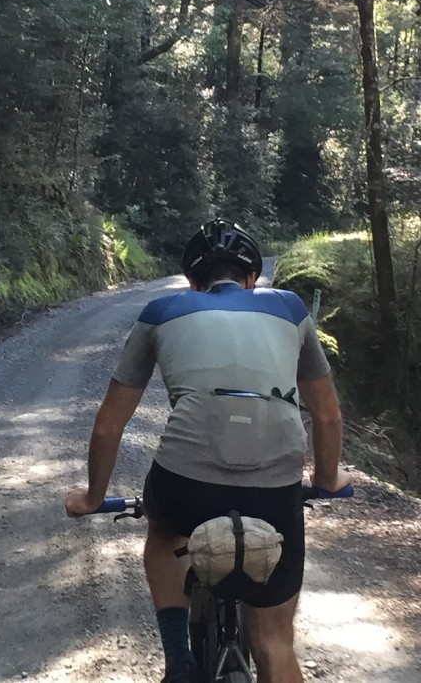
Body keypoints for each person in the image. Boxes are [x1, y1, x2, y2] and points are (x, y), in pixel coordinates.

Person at [63, 220, 345, 683]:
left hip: (186, 483)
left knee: (164, 536)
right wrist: (327, 479)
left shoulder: (162, 311)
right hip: (275, 487)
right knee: (275, 641)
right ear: (252, 279)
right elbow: (328, 416)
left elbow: (109, 424)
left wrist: (93, 497)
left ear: (192, 283)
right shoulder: (291, 309)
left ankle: (178, 662)